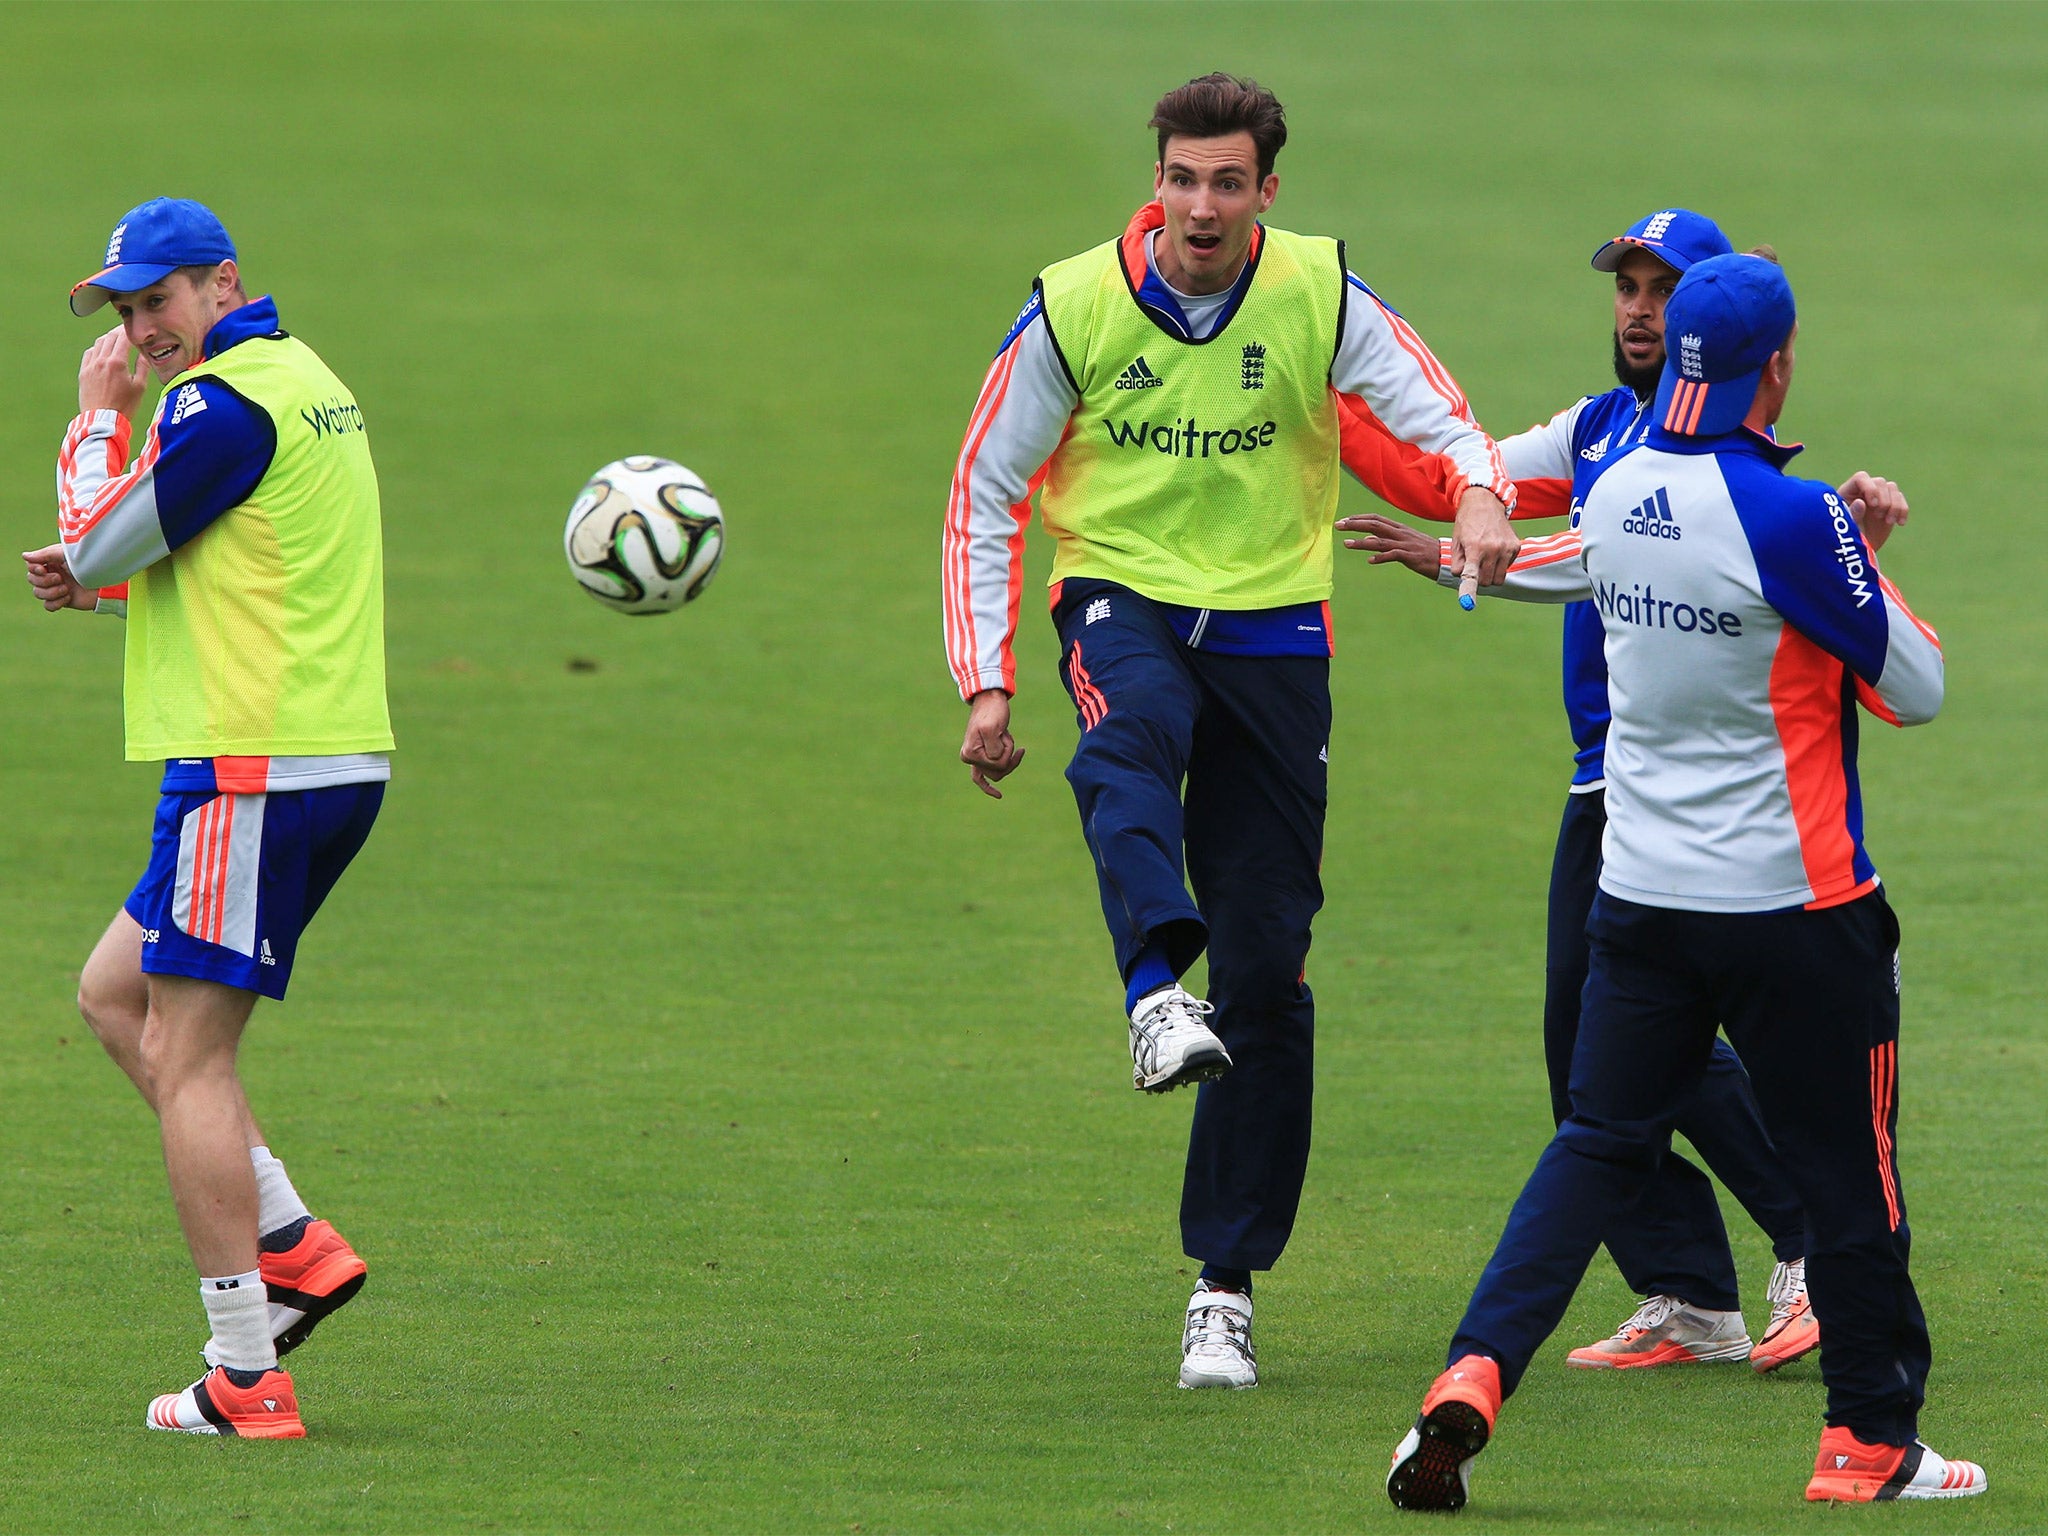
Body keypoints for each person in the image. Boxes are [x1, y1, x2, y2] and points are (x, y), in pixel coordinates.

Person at [1375, 254, 1984, 1509]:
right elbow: (1913, 687)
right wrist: (1863, 556)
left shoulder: (1621, 483)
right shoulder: (1791, 515)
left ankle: (1473, 1373)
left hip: (1640, 902)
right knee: (1846, 1172)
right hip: (1796, 910)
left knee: (1594, 1143)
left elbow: (1573, 568)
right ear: (1778, 366)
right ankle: (1866, 1442)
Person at [940, 73, 1519, 1391]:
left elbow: (1433, 405)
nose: (1199, 207)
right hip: (1121, 590)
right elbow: (983, 487)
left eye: (1227, 182)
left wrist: (1481, 495)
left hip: (1273, 632)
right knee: (1125, 736)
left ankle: (1224, 1285)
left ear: (1268, 191)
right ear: (1156, 178)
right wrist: (986, 685)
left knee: (1268, 968)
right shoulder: (1075, 304)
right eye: (1180, 178)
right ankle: (1152, 994)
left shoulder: (1316, 289)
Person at [1339, 214, 1866, 1376]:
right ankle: (1690, 1293)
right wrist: (1322, 408)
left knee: (1619, 1054)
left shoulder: (1716, 454)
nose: (1637, 309)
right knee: (1585, 1048)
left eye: (1661, 291)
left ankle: (1806, 1246)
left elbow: (1580, 550)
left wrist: (1449, 559)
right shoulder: (1588, 430)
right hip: (1609, 788)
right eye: (1625, 288)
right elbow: (1455, 474)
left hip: (1704, 803)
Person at [24, 197, 392, 1438]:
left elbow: (98, 541)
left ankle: (246, 1372)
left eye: (159, 302)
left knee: (190, 1059)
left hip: (252, 765)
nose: (142, 329)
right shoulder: (308, 380)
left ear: (222, 284)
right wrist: (105, 566)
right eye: (126, 312)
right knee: (111, 994)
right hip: (320, 755)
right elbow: (230, 564)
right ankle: (290, 1241)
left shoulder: (217, 402)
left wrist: (95, 418)